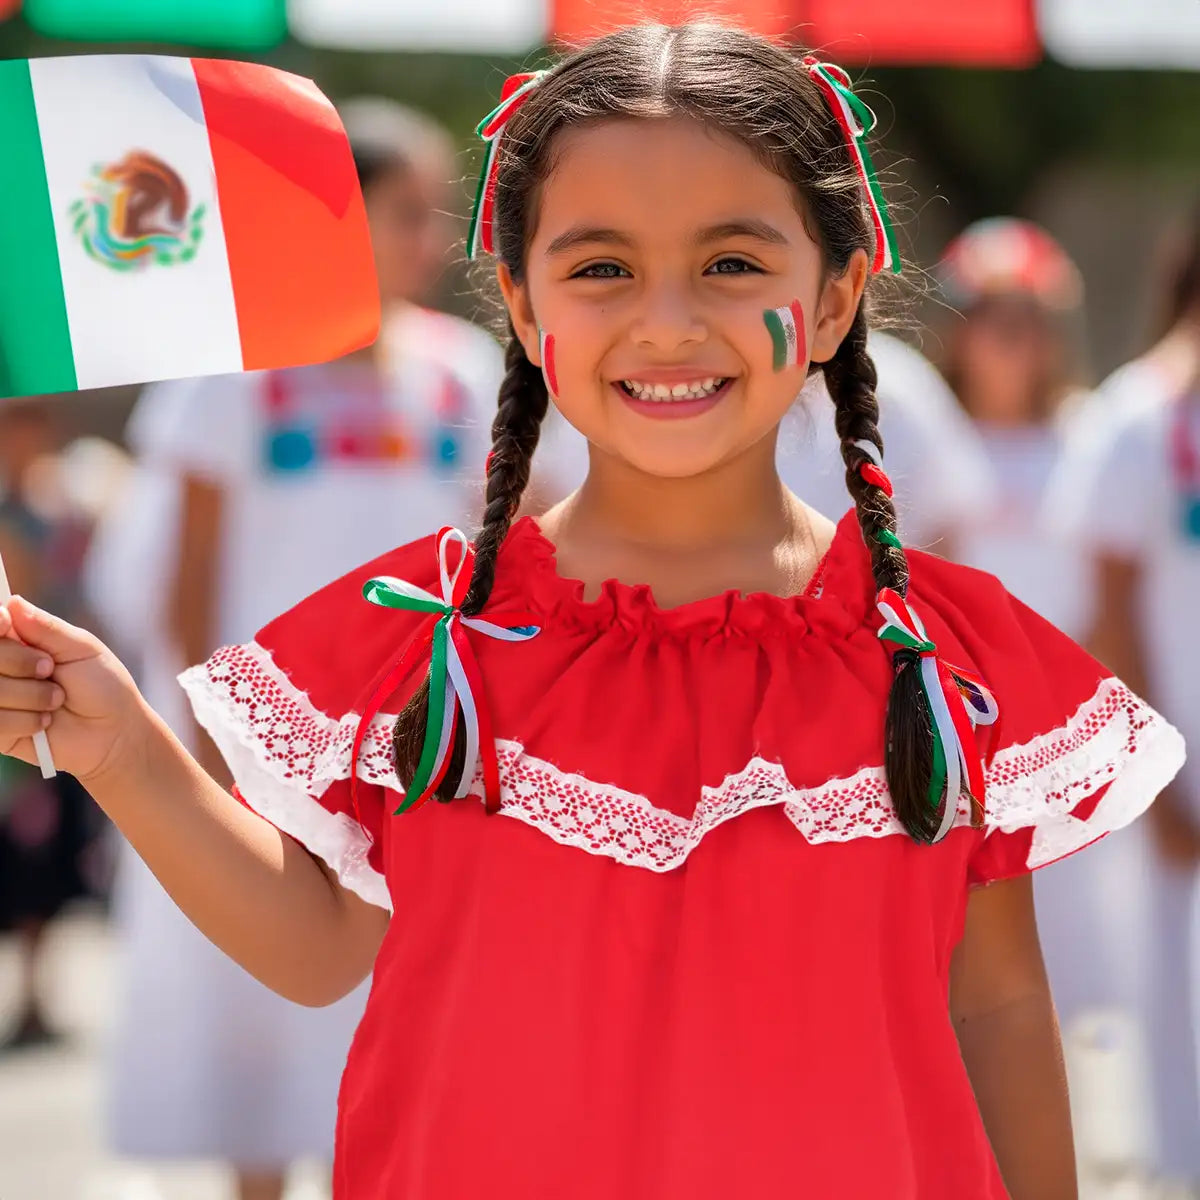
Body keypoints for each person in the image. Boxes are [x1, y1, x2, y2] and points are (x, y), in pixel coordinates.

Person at [0, 25, 1186, 1199]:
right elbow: (317, 952)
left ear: (834, 302)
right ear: (521, 304)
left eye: (731, 263)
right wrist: (120, 746)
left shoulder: (942, 661)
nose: (666, 322)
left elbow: (999, 1003)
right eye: (602, 267)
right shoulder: (424, 634)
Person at [82, 99, 500, 1200]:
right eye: (405, 213)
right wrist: (222, 770)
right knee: (260, 1016)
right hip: (259, 757)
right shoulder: (233, 374)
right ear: (335, 220)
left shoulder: (465, 372)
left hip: (422, 759)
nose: (427, 239)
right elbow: (190, 585)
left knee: (400, 1026)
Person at [1045, 202, 1200, 1191]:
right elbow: (1106, 611)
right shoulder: (1136, 420)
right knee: (1175, 1004)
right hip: (1178, 773)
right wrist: (1161, 776)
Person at [532, 328, 996, 551]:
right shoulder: (635, 385)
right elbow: (544, 503)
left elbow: (949, 531)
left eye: (737, 265)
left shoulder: (904, 389)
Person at [0, 398, 103, 1053]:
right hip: (16, 699)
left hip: (58, 694)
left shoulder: (65, 496)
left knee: (47, 861)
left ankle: (36, 991)